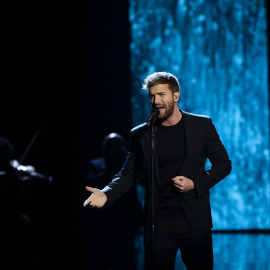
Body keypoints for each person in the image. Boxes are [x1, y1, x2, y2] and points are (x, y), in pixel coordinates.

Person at [83, 72, 232, 270]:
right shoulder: (141, 134)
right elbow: (128, 173)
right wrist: (107, 194)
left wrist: (195, 183)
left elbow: (223, 164)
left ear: (176, 96)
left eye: (161, 95)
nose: (156, 101)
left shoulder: (201, 125)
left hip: (194, 221)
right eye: (152, 96)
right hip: (158, 223)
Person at [79, 132, 143, 270]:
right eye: (111, 146)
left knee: (125, 260)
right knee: (102, 259)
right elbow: (92, 185)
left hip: (125, 221)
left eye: (117, 147)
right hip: (103, 220)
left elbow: (142, 181)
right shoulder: (96, 165)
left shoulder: (128, 165)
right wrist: (116, 168)